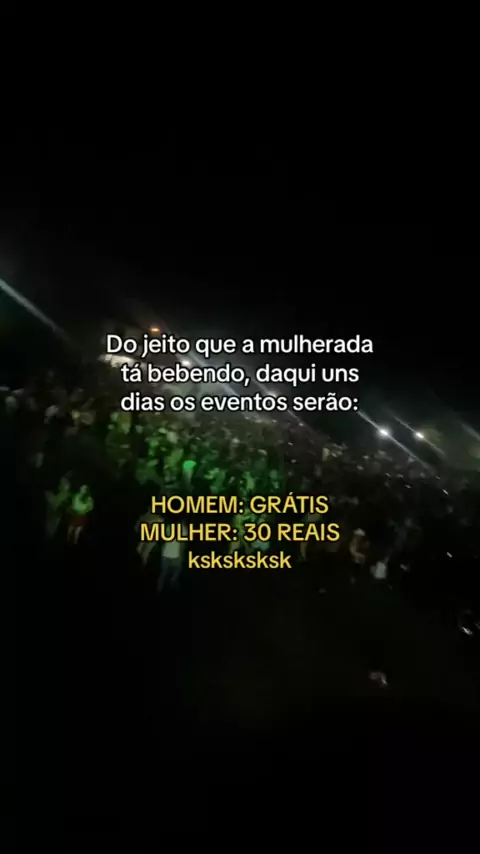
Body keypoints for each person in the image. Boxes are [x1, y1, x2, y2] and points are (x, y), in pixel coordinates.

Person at [157, 520, 188, 593]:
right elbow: (182, 545)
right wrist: (182, 556)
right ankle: (172, 582)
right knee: (177, 571)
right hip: (175, 555)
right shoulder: (184, 529)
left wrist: (162, 552)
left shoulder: (168, 527)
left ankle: (158, 591)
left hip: (165, 554)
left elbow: (164, 541)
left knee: (163, 574)